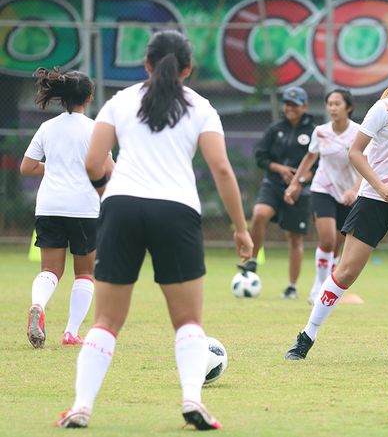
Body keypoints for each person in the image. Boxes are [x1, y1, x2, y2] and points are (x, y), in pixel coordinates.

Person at [55, 30, 253, 430]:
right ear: (188, 68)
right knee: (187, 321)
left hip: (121, 208)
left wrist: (109, 194)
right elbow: (221, 169)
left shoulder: (119, 102)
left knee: (106, 322)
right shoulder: (201, 107)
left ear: (145, 64)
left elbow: (94, 161)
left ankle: (80, 407)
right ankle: (192, 400)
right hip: (176, 212)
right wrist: (240, 228)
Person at [284, 48, 388, 362]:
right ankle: (306, 336)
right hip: (373, 200)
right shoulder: (383, 109)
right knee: (346, 272)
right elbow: (356, 153)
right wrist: (380, 186)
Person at [20, 67, 114, 349]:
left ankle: (38, 305)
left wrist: (55, 168)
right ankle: (71, 333)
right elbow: (108, 169)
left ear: (62, 97)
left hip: (49, 206)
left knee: (50, 270)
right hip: (83, 208)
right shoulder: (95, 129)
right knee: (85, 273)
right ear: (88, 97)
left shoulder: (47, 128)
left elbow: (27, 167)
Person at [283, 89, 362, 303]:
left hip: (348, 194)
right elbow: (309, 158)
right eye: (330, 104)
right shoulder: (320, 131)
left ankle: (328, 283)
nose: (333, 108)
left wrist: (354, 190)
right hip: (323, 188)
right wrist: (295, 184)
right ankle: (319, 288)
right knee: (326, 240)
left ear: (349, 107)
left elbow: (368, 164)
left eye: (337, 104)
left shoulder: (359, 133)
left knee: (337, 245)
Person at [238, 86, 316, 299]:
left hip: (300, 191)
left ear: (305, 106)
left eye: (295, 104)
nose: (290, 108)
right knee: (259, 214)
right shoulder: (275, 128)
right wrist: (279, 169)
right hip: (273, 184)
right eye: (287, 104)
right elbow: (260, 157)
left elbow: (318, 165)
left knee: (294, 239)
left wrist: (299, 180)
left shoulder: (313, 132)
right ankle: (253, 261)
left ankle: (291, 286)